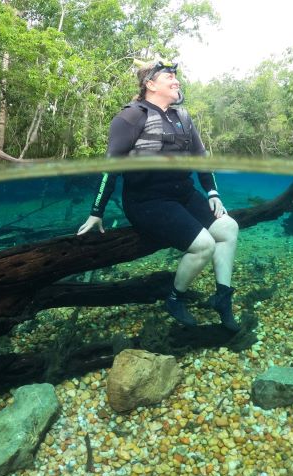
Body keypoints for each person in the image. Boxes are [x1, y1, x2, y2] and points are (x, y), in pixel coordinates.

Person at [76, 60, 240, 331]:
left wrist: (212, 191)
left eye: (176, 77)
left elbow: (200, 157)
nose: (176, 81)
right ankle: (176, 297)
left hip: (183, 194)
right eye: (169, 77)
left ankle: (222, 297)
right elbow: (111, 167)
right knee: (204, 245)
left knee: (229, 228)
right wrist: (96, 212)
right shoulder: (130, 117)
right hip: (146, 201)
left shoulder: (183, 117)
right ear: (150, 85)